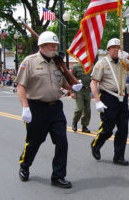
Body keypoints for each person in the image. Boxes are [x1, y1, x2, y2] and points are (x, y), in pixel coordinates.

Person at [16, 31, 83, 189]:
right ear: (42, 46)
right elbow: (20, 85)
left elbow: (62, 83)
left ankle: (58, 176)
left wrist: (74, 86)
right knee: (34, 142)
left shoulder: (57, 63)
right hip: (36, 108)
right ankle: (25, 165)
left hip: (55, 109)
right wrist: (25, 107)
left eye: (56, 45)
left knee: (62, 142)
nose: (55, 48)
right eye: (52, 45)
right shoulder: (30, 61)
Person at [90, 38, 129, 166]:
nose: (116, 50)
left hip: (122, 98)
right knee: (107, 128)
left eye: (118, 47)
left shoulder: (123, 62)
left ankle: (118, 156)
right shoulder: (101, 63)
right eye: (114, 47)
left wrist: (128, 56)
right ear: (108, 49)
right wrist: (97, 101)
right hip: (108, 97)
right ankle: (96, 144)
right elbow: (94, 82)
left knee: (123, 128)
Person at [71, 62, 92, 133]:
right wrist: (72, 92)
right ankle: (75, 121)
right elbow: (70, 79)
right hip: (78, 90)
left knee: (87, 110)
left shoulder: (90, 66)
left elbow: (93, 78)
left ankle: (84, 126)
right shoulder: (75, 67)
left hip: (87, 90)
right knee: (80, 108)